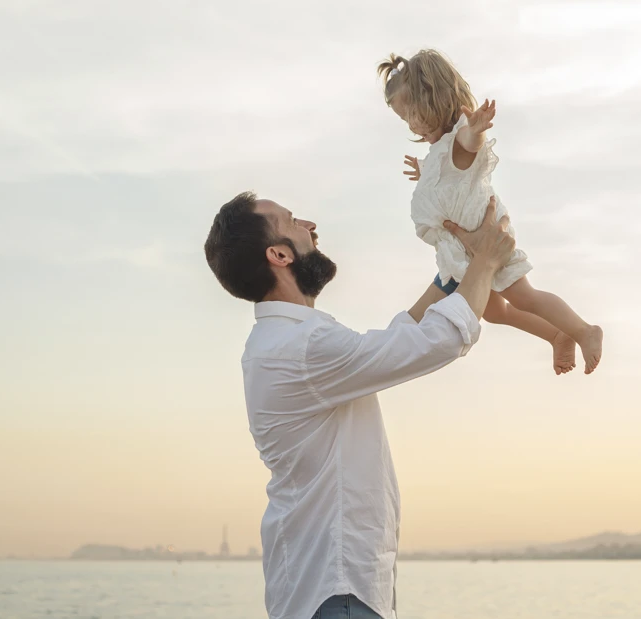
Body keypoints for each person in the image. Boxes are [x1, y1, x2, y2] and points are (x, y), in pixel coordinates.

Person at [204, 191, 516, 619]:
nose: (310, 226)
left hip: (327, 590)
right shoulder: (304, 345)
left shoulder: (286, 342)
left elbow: (394, 341)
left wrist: (453, 272)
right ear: (278, 254)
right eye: (293, 221)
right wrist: (487, 260)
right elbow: (434, 343)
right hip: (337, 593)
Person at [378, 49, 604, 375]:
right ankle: (556, 335)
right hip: (467, 253)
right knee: (496, 312)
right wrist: (424, 169)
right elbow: (449, 173)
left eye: (412, 114)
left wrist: (477, 129)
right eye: (404, 119)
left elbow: (468, 145)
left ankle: (584, 331)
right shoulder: (440, 150)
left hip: (488, 242)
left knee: (525, 296)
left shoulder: (461, 136)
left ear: (435, 100)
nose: (410, 124)